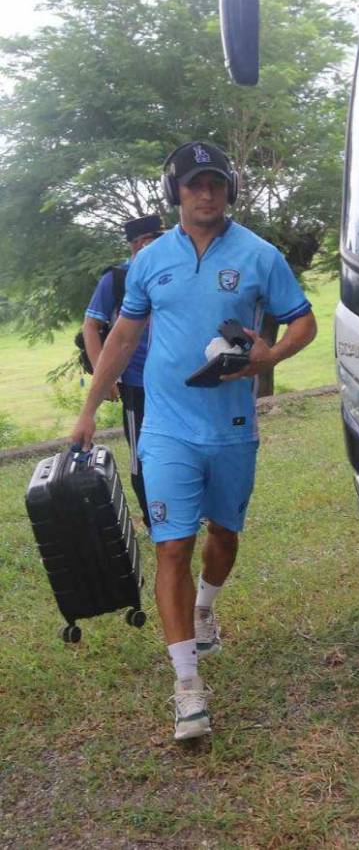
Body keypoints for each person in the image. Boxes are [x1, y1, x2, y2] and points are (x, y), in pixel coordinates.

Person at [71, 141, 317, 742]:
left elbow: (303, 319)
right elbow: (124, 338)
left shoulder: (260, 255)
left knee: (225, 536)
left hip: (231, 429)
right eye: (193, 185)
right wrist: (86, 412)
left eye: (216, 183)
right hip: (166, 428)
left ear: (228, 189)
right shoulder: (151, 261)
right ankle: (187, 688)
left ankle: (206, 607)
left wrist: (272, 352)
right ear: (175, 193)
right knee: (172, 547)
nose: (206, 194)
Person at [81, 215, 162, 529]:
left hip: (178, 382)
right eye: (155, 239)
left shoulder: (172, 271)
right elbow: (91, 325)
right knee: (142, 455)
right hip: (136, 382)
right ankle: (155, 521)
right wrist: (107, 374)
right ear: (140, 244)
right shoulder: (115, 279)